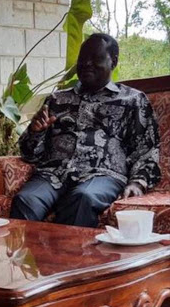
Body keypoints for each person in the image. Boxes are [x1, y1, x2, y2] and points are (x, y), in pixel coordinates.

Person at [10, 33, 161, 227]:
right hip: (53, 174)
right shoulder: (57, 100)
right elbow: (30, 154)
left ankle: (67, 258)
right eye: (82, 59)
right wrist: (35, 131)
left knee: (83, 198)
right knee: (25, 200)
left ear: (113, 62)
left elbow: (147, 149)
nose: (87, 64)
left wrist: (138, 182)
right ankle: (26, 258)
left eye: (95, 58)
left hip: (102, 175)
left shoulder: (132, 100)